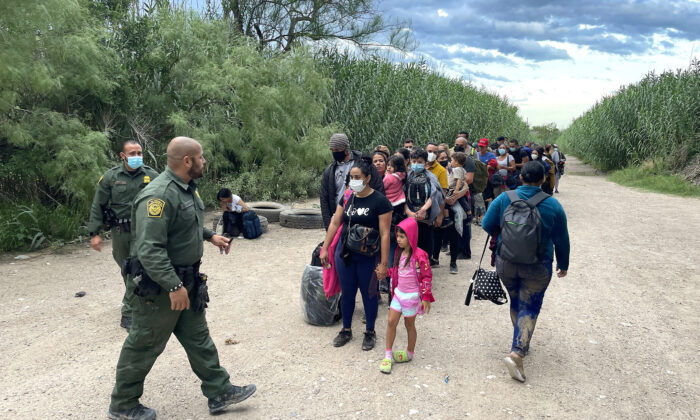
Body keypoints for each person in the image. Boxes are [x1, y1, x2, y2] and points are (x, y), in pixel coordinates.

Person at [108, 137, 256, 420]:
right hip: (162, 287)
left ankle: (219, 390)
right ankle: (123, 404)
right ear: (187, 161)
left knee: (198, 338)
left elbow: (185, 225)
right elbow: (149, 249)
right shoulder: (158, 195)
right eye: (201, 158)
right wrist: (173, 286)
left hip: (186, 282)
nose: (204, 162)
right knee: (144, 343)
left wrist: (210, 236)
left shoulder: (186, 189)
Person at [481, 161, 570, 383]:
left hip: (507, 263)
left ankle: (520, 339)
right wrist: (564, 264)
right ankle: (517, 351)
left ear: (520, 177)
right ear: (542, 180)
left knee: (516, 299)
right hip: (538, 265)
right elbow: (562, 239)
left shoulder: (504, 198)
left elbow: (486, 224)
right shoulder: (552, 205)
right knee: (530, 304)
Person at [320, 159, 393, 351]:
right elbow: (335, 223)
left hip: (368, 256)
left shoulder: (380, 201)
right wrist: (325, 247)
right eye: (351, 177)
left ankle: (370, 332)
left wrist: (384, 263)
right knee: (348, 293)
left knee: (369, 294)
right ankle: (346, 330)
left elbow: (385, 234)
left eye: (357, 177)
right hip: (344, 254)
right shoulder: (347, 196)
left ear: (368, 178)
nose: (353, 181)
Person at [88, 140, 159, 332]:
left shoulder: (151, 175)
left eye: (139, 152)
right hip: (120, 232)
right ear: (123, 156)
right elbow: (98, 205)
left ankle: (128, 313)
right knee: (126, 269)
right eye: (132, 153)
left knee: (135, 268)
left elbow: (164, 199)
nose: (137, 156)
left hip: (142, 231)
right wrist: (95, 233)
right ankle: (139, 299)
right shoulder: (111, 177)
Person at [380, 218, 434, 374]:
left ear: (411, 236)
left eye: (402, 237)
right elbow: (398, 272)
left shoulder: (420, 255)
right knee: (391, 321)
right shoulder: (398, 253)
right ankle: (388, 355)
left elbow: (426, 276)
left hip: (411, 298)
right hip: (398, 294)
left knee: (409, 325)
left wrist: (425, 297)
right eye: (397, 236)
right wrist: (385, 273)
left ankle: (410, 353)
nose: (398, 240)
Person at [320, 133, 384, 230]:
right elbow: (324, 199)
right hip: (338, 216)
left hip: (363, 215)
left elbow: (378, 188)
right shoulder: (330, 171)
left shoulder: (364, 163)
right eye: (332, 150)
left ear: (346, 150)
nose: (334, 153)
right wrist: (328, 225)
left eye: (337, 150)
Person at [404, 148, 443, 260]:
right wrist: (408, 212)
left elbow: (435, 194)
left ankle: (424, 269)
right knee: (410, 244)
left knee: (425, 244)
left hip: (425, 217)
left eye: (420, 162)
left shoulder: (430, 177)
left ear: (425, 163)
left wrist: (424, 209)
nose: (416, 164)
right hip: (410, 215)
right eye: (414, 161)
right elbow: (402, 195)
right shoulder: (406, 176)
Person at [383, 155, 408, 290]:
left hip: (389, 207)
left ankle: (388, 279)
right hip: (399, 207)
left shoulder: (389, 177)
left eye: (390, 166)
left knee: (388, 245)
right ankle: (395, 278)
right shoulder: (402, 176)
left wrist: (386, 174)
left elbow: (382, 187)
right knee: (394, 243)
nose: (388, 168)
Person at [425, 143, 449, 266]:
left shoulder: (441, 170)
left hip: (432, 209)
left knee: (430, 236)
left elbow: (442, 195)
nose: (432, 154)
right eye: (429, 151)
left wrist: (439, 215)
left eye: (435, 152)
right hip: (417, 209)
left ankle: (430, 260)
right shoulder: (418, 166)